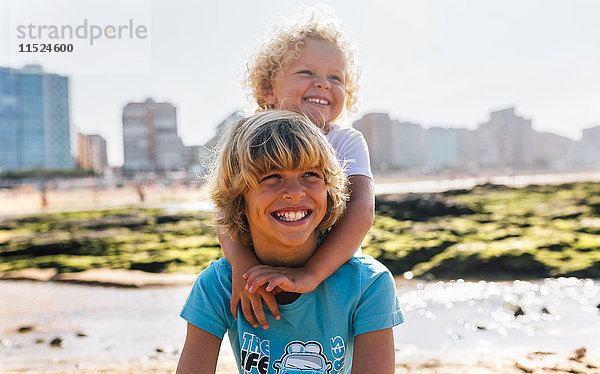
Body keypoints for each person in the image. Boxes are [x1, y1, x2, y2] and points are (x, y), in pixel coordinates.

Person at [177, 110, 403, 374]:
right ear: (239, 198)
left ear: (330, 189)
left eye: (311, 175)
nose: (295, 193)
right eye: (271, 177)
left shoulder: (368, 285)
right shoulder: (218, 286)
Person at [222, 5, 375, 331]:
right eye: (307, 73)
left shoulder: (346, 140)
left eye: (336, 78)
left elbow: (361, 209)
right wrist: (242, 266)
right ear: (268, 88)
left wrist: (311, 274)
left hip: (332, 275)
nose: (323, 84)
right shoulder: (249, 136)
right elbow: (225, 208)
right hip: (265, 275)